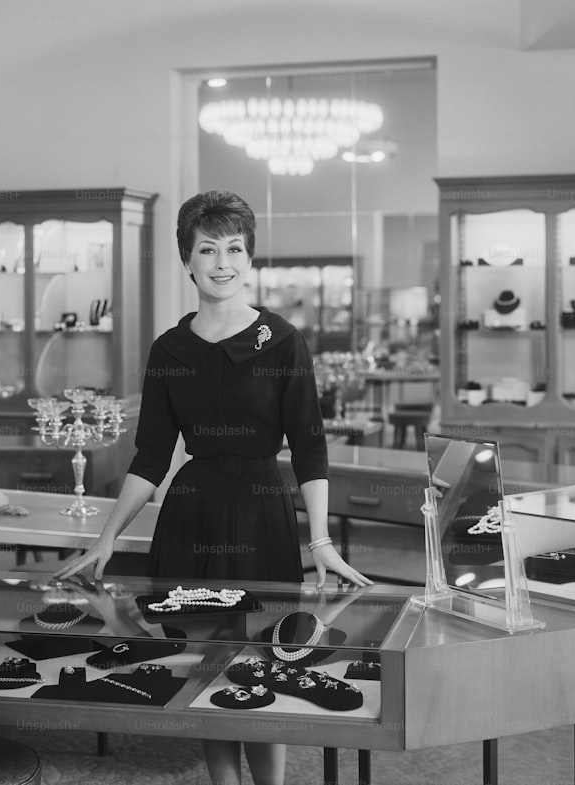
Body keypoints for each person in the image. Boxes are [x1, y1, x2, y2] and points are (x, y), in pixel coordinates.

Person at [56, 189, 371, 785]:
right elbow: (151, 457)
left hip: (262, 516)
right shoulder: (169, 349)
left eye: (234, 248)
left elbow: (309, 449)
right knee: (202, 662)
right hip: (191, 514)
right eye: (208, 248)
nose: (222, 261)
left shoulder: (282, 341)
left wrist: (322, 541)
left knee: (263, 658)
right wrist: (105, 538)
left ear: (249, 258)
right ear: (188, 260)